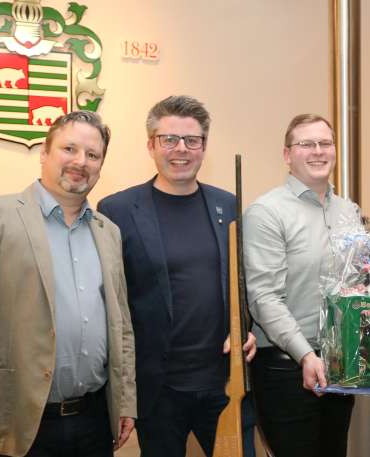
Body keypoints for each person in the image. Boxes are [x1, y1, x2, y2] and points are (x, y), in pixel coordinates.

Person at [0, 111, 136, 457]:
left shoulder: (109, 232)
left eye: (92, 154)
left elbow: (122, 327)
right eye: (69, 149)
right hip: (16, 424)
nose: (80, 161)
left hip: (94, 421)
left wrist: (125, 400)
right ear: (44, 152)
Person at [97, 95, 256, 457]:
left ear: (204, 147)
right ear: (151, 145)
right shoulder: (117, 210)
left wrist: (248, 327)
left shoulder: (228, 205)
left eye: (191, 140)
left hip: (223, 383)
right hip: (158, 390)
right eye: (169, 139)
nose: (181, 149)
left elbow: (243, 281)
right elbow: (111, 301)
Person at [243, 114, 359, 457]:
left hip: (340, 363)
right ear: (287, 154)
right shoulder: (266, 212)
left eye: (325, 143)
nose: (318, 151)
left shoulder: (349, 212)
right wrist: (305, 354)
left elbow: (358, 284)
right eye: (306, 144)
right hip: (287, 368)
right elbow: (264, 297)